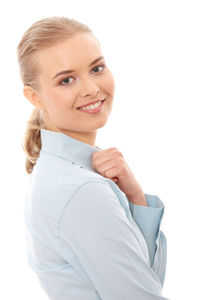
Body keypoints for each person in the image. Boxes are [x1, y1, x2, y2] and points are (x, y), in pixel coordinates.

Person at [17, 16, 170, 300]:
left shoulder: (61, 173)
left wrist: (135, 196)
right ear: (34, 97)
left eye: (96, 68)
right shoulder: (82, 190)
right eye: (66, 80)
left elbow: (145, 281)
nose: (90, 88)